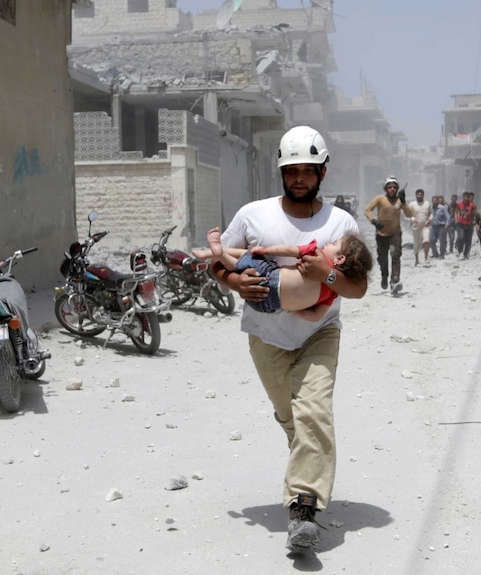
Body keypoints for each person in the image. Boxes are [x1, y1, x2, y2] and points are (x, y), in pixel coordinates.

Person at [211, 125, 368, 552]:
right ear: (281, 171)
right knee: (291, 417)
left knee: (314, 412)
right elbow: (216, 265)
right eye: (292, 170)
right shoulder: (252, 215)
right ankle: (302, 446)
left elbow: (357, 288)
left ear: (323, 171)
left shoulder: (341, 222)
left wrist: (326, 274)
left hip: (321, 331)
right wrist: (234, 283)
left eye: (308, 170)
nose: (300, 178)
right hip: (266, 336)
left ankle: (303, 508)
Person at [194, 227, 371, 322]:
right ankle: (217, 254)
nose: (328, 245)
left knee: (249, 258)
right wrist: (294, 308)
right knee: (247, 264)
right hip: (270, 305)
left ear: (340, 258)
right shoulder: (332, 292)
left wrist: (265, 249)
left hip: (270, 278)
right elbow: (315, 316)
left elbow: (289, 250)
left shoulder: (317, 255)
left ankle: (218, 252)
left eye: (333, 243)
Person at [363, 175, 414, 293]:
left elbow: (409, 214)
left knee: (395, 255)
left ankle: (395, 280)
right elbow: (367, 210)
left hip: (395, 234)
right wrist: (374, 221)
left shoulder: (399, 201)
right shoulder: (380, 199)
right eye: (390, 187)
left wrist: (404, 202)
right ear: (385, 189)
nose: (392, 189)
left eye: (394, 187)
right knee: (383, 259)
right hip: (381, 234)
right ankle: (384, 275)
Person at [407, 188, 432, 266]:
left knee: (426, 241)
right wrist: (412, 219)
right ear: (416, 195)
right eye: (418, 194)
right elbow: (407, 214)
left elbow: (431, 213)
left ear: (423, 195)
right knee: (417, 244)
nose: (419, 196)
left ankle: (426, 257)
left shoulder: (427, 204)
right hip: (416, 227)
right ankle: (417, 260)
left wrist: (430, 218)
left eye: (421, 194)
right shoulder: (412, 204)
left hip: (425, 226)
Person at [455, 191, 476, 258]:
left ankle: (466, 254)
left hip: (469, 224)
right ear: (463, 197)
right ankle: (460, 250)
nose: (466, 198)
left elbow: (474, 213)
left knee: (468, 240)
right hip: (461, 224)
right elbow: (456, 212)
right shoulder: (459, 204)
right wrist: (456, 219)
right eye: (465, 197)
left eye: (467, 197)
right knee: (461, 237)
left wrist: (475, 221)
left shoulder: (472, 205)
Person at [429, 195, 451, 259]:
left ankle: (442, 254)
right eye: (433, 200)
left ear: (438, 201)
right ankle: (435, 253)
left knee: (442, 241)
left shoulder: (442, 208)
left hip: (441, 226)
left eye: (436, 200)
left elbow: (448, 216)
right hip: (433, 226)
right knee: (431, 240)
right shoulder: (431, 208)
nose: (434, 202)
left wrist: (447, 224)